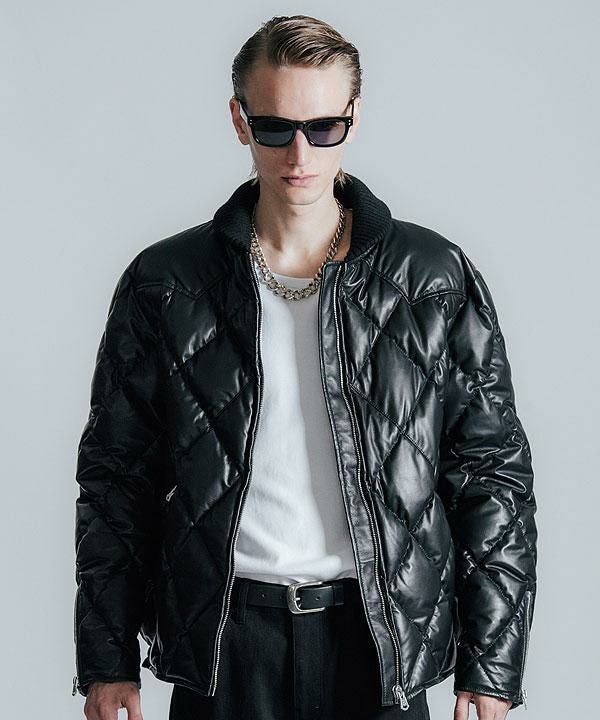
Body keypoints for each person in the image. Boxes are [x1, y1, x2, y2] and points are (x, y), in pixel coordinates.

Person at [72, 14, 538, 720]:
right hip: (227, 647)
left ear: (355, 118)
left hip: (379, 644)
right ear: (239, 120)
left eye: (324, 127)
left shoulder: (431, 278)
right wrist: (107, 659)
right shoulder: (167, 283)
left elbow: (490, 472)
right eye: (275, 127)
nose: (300, 153)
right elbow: (115, 477)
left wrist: (492, 666)